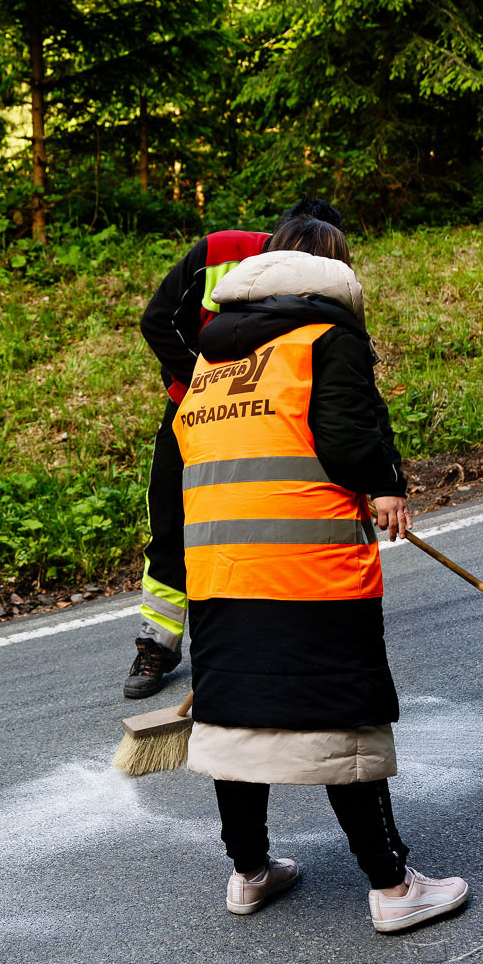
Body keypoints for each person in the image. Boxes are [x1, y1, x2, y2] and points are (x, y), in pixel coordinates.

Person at [173, 219, 467, 933]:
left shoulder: (216, 350)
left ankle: (248, 872)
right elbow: (344, 437)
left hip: (218, 565)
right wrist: (385, 482)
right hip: (307, 563)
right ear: (334, 272)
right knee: (339, 713)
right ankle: (393, 886)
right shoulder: (325, 336)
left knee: (238, 717)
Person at [126, 200, 345, 699]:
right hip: (195, 409)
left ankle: (262, 629)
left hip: (271, 419)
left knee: (266, 519)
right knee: (171, 521)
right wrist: (205, 385)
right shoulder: (219, 253)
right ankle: (157, 643)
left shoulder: (331, 281)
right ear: (281, 239)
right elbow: (158, 320)